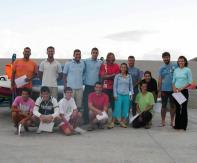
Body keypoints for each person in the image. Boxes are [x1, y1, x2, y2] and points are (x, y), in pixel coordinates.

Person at [108, 63, 133, 129]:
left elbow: (131, 86)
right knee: (117, 109)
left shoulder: (129, 76)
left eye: (125, 67)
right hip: (119, 95)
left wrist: (131, 95)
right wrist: (115, 95)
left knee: (125, 109)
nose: (123, 69)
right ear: (120, 68)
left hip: (126, 95)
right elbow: (114, 86)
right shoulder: (117, 76)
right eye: (122, 67)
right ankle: (112, 122)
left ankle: (122, 122)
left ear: (126, 68)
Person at [172, 56, 192, 131]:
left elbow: (189, 82)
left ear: (185, 62)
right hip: (176, 91)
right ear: (178, 62)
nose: (181, 62)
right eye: (179, 61)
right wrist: (174, 88)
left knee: (183, 109)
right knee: (177, 109)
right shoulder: (176, 70)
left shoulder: (188, 70)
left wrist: (181, 89)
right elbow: (173, 81)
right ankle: (177, 125)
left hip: (183, 91)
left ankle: (183, 126)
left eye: (182, 61)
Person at [83, 47, 102, 124]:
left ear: (98, 54)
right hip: (87, 86)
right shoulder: (86, 61)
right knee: (86, 103)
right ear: (91, 53)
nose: (95, 54)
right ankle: (86, 120)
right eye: (93, 52)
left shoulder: (100, 62)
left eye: (96, 53)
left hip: (96, 87)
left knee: (96, 104)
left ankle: (96, 120)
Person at [158, 52, 177, 127]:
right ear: (163, 58)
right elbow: (159, 79)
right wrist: (159, 90)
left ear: (170, 57)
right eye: (164, 57)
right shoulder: (161, 68)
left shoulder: (175, 65)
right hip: (164, 90)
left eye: (167, 57)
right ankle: (163, 121)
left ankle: (172, 121)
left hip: (173, 90)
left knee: (172, 106)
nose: (166, 59)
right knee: (163, 106)